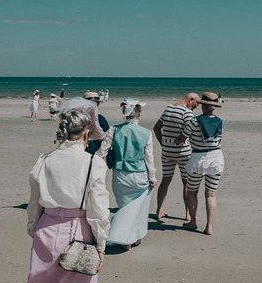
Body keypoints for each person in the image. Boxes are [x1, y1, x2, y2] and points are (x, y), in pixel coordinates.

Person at [20, 110, 110, 283]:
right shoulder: (93, 163)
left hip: (47, 227)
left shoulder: (44, 159)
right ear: (85, 134)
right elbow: (99, 210)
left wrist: (33, 227)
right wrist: (101, 244)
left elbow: (34, 200)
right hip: (78, 230)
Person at [96, 100, 156, 250]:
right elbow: (149, 158)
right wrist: (152, 177)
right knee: (139, 209)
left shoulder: (113, 130)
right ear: (139, 114)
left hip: (120, 174)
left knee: (125, 207)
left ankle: (126, 241)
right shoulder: (146, 133)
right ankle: (135, 237)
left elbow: (101, 153)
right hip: (141, 174)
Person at [176, 92, 224, 234]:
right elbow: (219, 140)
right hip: (215, 158)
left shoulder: (194, 121)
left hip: (197, 160)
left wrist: (177, 140)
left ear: (203, 105)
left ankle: (193, 222)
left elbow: (183, 137)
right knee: (211, 194)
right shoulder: (219, 122)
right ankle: (209, 227)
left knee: (192, 192)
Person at [153, 93, 200, 221]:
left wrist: (163, 143)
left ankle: (159, 211)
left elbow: (156, 128)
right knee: (186, 183)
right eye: (195, 104)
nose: (195, 107)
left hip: (167, 151)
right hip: (183, 152)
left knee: (165, 180)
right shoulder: (187, 113)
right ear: (191, 100)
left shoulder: (168, 108)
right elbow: (192, 131)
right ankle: (188, 214)